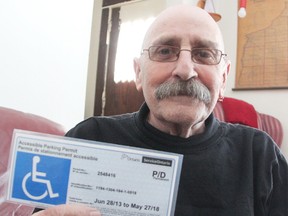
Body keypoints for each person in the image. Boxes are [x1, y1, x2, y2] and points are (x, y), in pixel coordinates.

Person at [33, 4, 288, 216]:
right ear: (139, 72)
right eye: (165, 51)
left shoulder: (261, 156)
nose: (185, 70)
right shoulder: (88, 139)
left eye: (204, 53)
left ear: (223, 78)